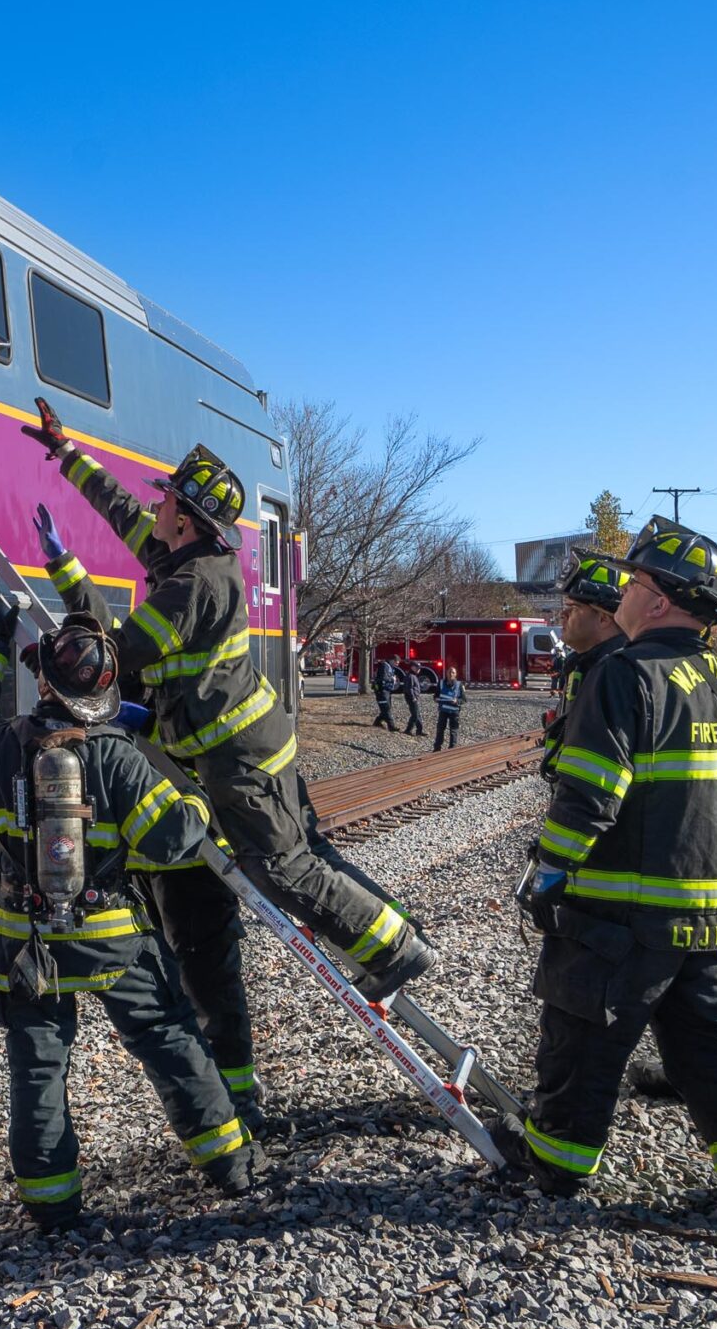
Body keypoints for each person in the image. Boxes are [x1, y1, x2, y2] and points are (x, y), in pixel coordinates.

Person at [26, 408, 439, 1010]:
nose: (155, 507)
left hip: (240, 759)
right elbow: (119, 509)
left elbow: (120, 654)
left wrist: (60, 649)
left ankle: (393, 951)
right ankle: (395, 934)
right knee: (308, 851)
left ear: (186, 522)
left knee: (282, 868)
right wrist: (67, 453)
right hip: (253, 743)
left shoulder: (192, 585)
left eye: (166, 501)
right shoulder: (185, 561)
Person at [517, 522, 717, 1232]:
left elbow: (588, 793)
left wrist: (549, 872)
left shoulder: (626, 675)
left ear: (662, 599)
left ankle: (552, 1169)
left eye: (637, 583)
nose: (626, 594)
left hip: (623, 921)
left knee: (582, 1041)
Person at [0, 592, 255, 1228]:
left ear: (43, 681)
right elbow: (176, 838)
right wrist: (192, 796)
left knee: (36, 1064)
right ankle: (231, 1168)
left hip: (22, 939)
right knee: (169, 1040)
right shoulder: (115, 755)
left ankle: (53, 1206)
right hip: (109, 938)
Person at [544, 555, 633, 783]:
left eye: (573, 607)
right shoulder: (585, 665)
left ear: (604, 618)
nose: (562, 615)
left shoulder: (618, 675)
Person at [432, 664, 465, 751]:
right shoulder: (441, 683)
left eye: (453, 672)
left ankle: (452, 749)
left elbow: (464, 699)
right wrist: (435, 699)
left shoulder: (459, 685)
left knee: (453, 731)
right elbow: (436, 695)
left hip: (454, 712)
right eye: (450, 672)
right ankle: (437, 748)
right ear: (446, 673)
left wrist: (457, 701)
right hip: (443, 710)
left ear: (456, 674)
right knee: (440, 729)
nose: (451, 674)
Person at [400, 659, 426, 738]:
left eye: (419, 668)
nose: (419, 669)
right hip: (411, 698)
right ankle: (408, 730)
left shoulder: (413, 676)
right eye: (417, 667)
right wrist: (413, 697)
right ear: (412, 667)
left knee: (417, 714)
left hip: (414, 698)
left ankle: (419, 730)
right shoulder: (410, 676)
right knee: (415, 715)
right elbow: (409, 688)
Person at [372, 657, 399, 731]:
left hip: (386, 690)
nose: (397, 665)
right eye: (396, 663)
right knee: (386, 708)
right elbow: (383, 678)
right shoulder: (385, 666)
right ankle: (391, 727)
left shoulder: (389, 667)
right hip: (382, 691)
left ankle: (377, 722)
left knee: (387, 708)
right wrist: (392, 679)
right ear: (392, 660)